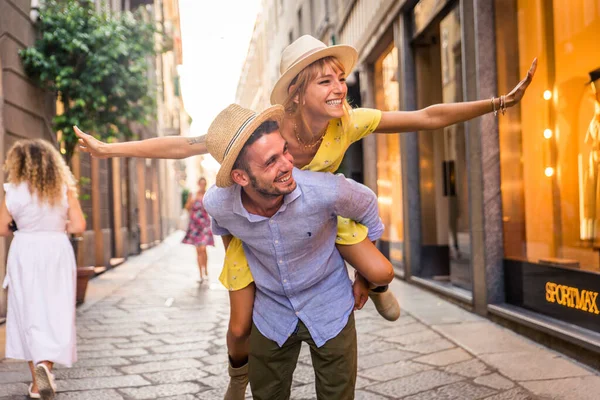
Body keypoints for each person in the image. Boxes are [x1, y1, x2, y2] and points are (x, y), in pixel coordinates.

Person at [74, 35, 537, 399]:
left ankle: (370, 288)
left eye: (341, 79)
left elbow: (426, 116)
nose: (340, 88)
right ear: (296, 93)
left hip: (321, 218)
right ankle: (239, 376)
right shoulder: (264, 131)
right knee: (239, 326)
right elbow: (183, 144)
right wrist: (110, 149)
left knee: (381, 269)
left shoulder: (348, 122)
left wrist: (496, 103)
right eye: (326, 81)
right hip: (263, 228)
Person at [203, 103, 388, 399]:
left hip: (330, 304)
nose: (288, 164)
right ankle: (237, 377)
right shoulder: (218, 203)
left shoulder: (324, 190)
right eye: (271, 161)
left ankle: (383, 289)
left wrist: (364, 279)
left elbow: (368, 207)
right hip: (271, 313)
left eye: (285, 151)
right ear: (240, 177)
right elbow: (226, 229)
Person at [0, 139, 86, 400]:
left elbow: (2, 227)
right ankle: (45, 367)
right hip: (56, 250)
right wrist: (60, 225)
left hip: (25, 250)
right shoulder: (63, 188)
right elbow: (79, 226)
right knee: (55, 310)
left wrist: (21, 227)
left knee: (28, 311)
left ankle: (37, 382)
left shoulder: (12, 190)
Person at [182, 177, 214, 282]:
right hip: (195, 226)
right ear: (198, 184)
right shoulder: (193, 195)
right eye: (201, 184)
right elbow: (187, 208)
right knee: (198, 250)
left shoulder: (208, 195)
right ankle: (201, 274)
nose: (202, 186)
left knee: (203, 249)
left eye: (204, 184)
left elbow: (212, 209)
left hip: (204, 225)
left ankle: (206, 270)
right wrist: (191, 201)